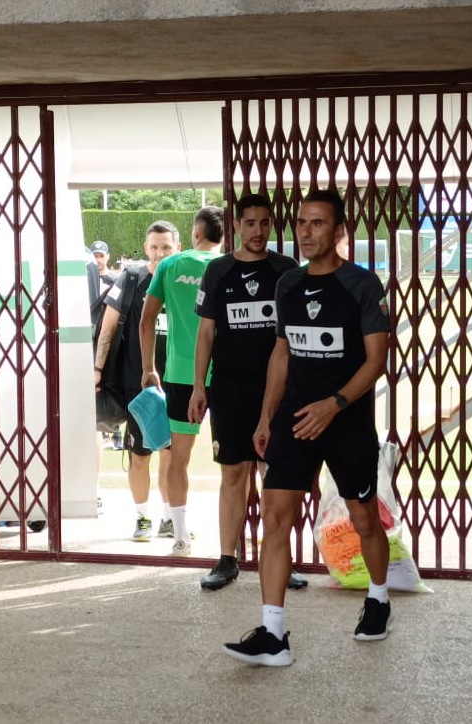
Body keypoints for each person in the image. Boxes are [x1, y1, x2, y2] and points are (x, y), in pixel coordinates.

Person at [223, 188, 391, 667]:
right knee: (275, 519)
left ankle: (378, 599)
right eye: (300, 222)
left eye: (318, 223)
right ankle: (273, 634)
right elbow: (282, 353)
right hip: (295, 420)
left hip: (346, 421)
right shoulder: (287, 285)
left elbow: (376, 360)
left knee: (362, 520)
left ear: (339, 231)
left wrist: (334, 404)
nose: (306, 231)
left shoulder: (362, 285)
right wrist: (265, 417)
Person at [188, 193, 307, 591]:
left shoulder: (286, 269)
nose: (258, 231)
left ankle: (279, 560)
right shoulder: (218, 271)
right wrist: (198, 387)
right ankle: (227, 560)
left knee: (274, 475)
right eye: (250, 223)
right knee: (234, 473)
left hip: (278, 392)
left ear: (271, 225)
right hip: (230, 390)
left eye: (264, 223)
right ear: (236, 226)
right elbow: (206, 333)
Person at [140, 206, 223, 557]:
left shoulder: (170, 266)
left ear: (195, 233)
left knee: (178, 459)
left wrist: (149, 368)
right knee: (239, 461)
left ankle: (180, 535)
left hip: (179, 375)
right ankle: (252, 532)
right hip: (225, 375)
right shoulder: (227, 266)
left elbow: (146, 322)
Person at [94, 222, 180, 541]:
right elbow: (108, 328)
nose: (159, 253)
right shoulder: (131, 278)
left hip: (176, 383)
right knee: (140, 455)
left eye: (166, 248)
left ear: (177, 249)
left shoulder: (183, 280)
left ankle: (170, 517)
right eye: (154, 247)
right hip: (137, 385)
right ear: (146, 248)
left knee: (172, 456)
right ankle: (143, 517)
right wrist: (98, 369)